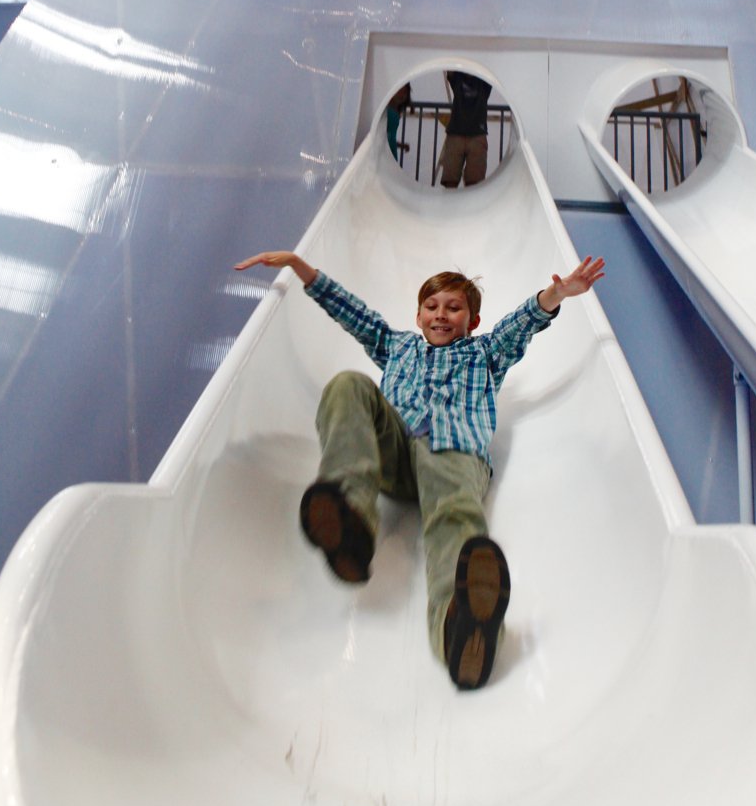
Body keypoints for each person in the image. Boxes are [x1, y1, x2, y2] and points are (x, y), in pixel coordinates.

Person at [232, 248, 606, 690]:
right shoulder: (397, 347)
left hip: (452, 452)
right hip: (394, 453)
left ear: (473, 321)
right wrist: (301, 268)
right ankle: (350, 520)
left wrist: (556, 294)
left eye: (454, 308)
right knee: (347, 385)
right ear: (418, 314)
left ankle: (459, 629)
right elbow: (354, 314)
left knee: (455, 517)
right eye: (432, 306)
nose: (441, 315)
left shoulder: (485, 354)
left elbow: (520, 325)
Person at [440, 70, 492, 188]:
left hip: (475, 135)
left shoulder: (484, 80)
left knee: (474, 183)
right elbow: (450, 66)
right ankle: (451, 205)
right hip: (458, 133)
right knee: (450, 181)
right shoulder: (457, 76)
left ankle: (467, 205)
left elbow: (493, 67)